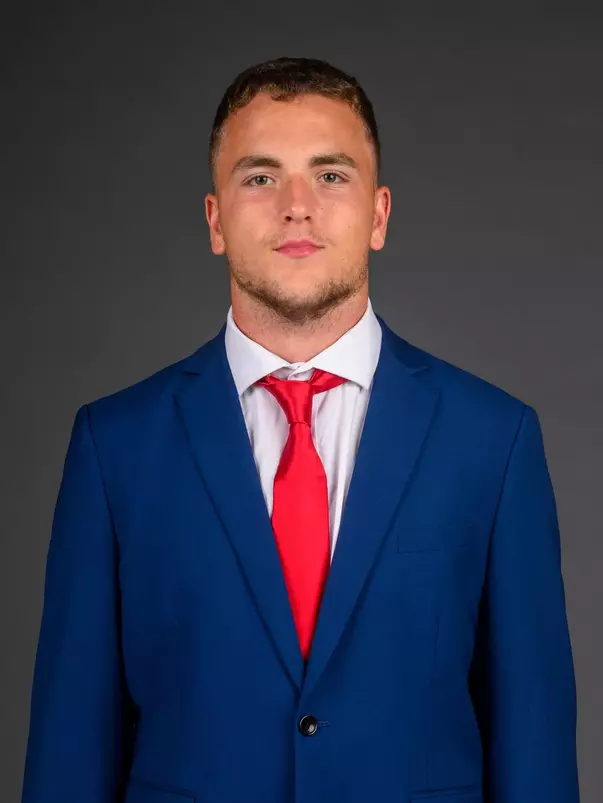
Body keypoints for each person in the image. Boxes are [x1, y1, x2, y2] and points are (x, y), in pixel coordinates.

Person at [21, 56, 579, 803]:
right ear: (215, 219)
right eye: (259, 176)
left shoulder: (493, 440)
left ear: (378, 214)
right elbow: (69, 752)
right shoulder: (113, 446)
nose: (296, 205)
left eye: (330, 174)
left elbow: (534, 747)